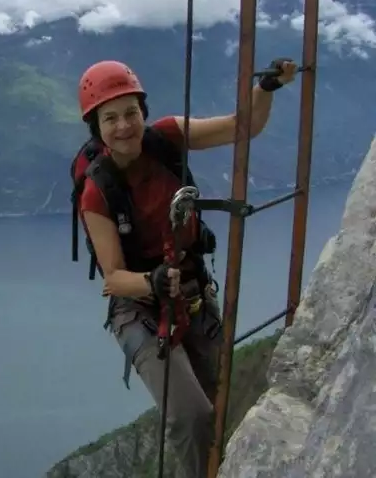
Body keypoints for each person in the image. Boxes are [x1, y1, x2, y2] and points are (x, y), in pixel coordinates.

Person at [77, 59, 298, 478]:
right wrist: (153, 281)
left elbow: (242, 128)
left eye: (130, 113)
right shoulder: (96, 190)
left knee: (222, 402)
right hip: (138, 308)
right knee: (191, 415)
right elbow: (113, 277)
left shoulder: (167, 138)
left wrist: (265, 88)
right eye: (110, 118)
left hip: (193, 293)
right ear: (96, 127)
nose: (124, 125)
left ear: (143, 111)